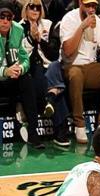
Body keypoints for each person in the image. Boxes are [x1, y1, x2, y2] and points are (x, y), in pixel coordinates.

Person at [60, 0, 100, 144]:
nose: (91, 9)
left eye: (94, 6)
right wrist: (82, 26)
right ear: (80, 3)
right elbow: (68, 51)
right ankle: (79, 125)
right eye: (88, 5)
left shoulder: (98, 22)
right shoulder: (69, 19)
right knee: (76, 75)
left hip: (91, 67)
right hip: (72, 66)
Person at [20, 0, 71, 146]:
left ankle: (50, 98)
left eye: (38, 7)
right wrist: (31, 39)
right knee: (44, 79)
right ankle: (61, 127)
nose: (35, 10)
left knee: (54, 66)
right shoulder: (18, 27)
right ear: (26, 9)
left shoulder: (48, 25)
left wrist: (40, 40)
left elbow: (54, 54)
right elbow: (22, 55)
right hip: (31, 67)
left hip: (49, 65)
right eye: (32, 7)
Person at [0, 0, 43, 148]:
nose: (5, 21)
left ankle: (33, 133)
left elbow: (25, 59)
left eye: (9, 17)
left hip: (12, 77)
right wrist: (5, 71)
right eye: (2, 17)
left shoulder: (18, 30)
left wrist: (20, 69)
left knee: (27, 78)